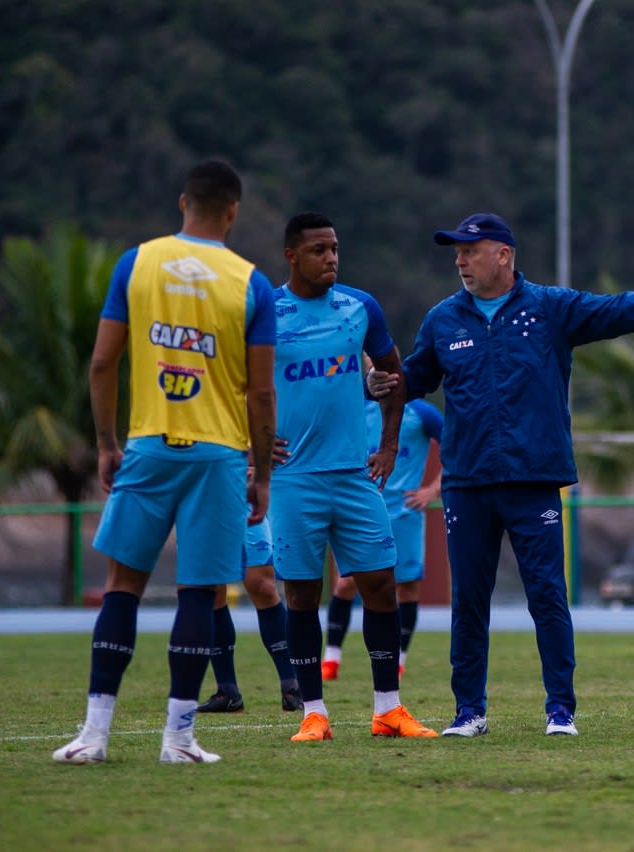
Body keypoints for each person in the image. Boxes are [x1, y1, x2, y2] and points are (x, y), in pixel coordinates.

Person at [369, 212, 634, 738]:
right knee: (469, 601)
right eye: (456, 252)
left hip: (533, 480)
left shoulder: (549, 308)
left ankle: (560, 711)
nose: (460, 260)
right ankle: (469, 712)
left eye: (470, 250)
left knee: (547, 595)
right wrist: (377, 384)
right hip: (467, 484)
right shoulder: (442, 319)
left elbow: (618, 311)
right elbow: (412, 380)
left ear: (504, 256)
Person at [53, 160, 276, 764]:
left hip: (149, 445)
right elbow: (260, 393)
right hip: (219, 457)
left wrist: (106, 444)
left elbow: (102, 364)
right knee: (199, 594)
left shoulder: (138, 262)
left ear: (184, 203)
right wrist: (264, 472)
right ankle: (178, 741)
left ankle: (93, 736)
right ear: (233, 211)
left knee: (121, 587)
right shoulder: (251, 282)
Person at [271, 211, 436, 741]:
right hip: (293, 477)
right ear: (292, 255)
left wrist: (388, 445)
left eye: (336, 248)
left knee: (381, 585)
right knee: (300, 593)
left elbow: (394, 375)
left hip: (354, 475)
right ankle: (313, 713)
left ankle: (388, 708)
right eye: (319, 250)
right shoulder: (266, 311)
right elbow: (236, 381)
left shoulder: (360, 307)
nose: (332, 258)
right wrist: (249, 442)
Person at [322, 392, 443, 681]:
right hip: (362, 511)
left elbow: (457, 444)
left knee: (407, 588)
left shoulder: (421, 412)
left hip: (405, 513)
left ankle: (398, 660)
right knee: (345, 583)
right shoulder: (353, 407)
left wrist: (433, 489)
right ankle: (331, 660)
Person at [196, 502, 302, 714]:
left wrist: (259, 471)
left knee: (262, 586)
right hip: (199, 498)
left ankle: (293, 688)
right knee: (212, 589)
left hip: (242, 495)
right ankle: (227, 692)